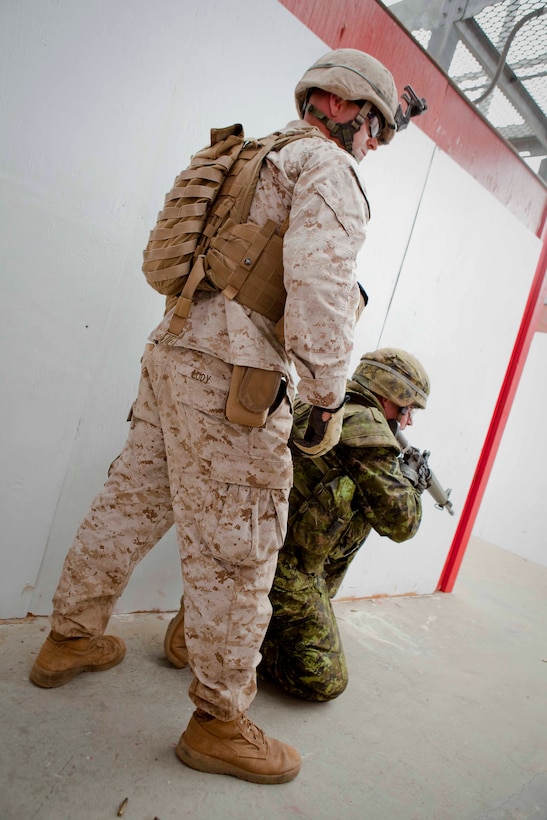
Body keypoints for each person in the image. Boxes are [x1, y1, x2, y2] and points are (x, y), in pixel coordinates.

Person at [30, 49, 420, 785]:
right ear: (351, 110)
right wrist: (329, 397)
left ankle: (69, 638)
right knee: (241, 552)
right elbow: (319, 291)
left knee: (130, 502)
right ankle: (218, 722)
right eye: (374, 130)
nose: (372, 144)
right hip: (232, 381)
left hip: (172, 351)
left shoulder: (251, 154)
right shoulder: (328, 171)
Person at [163, 348, 431, 703]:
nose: (409, 421)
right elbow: (402, 523)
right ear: (389, 396)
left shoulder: (317, 404)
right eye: (408, 409)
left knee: (352, 499)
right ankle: (242, 644)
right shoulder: (369, 433)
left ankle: (225, 612)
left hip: (253, 545)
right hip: (288, 573)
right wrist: (410, 482)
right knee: (325, 681)